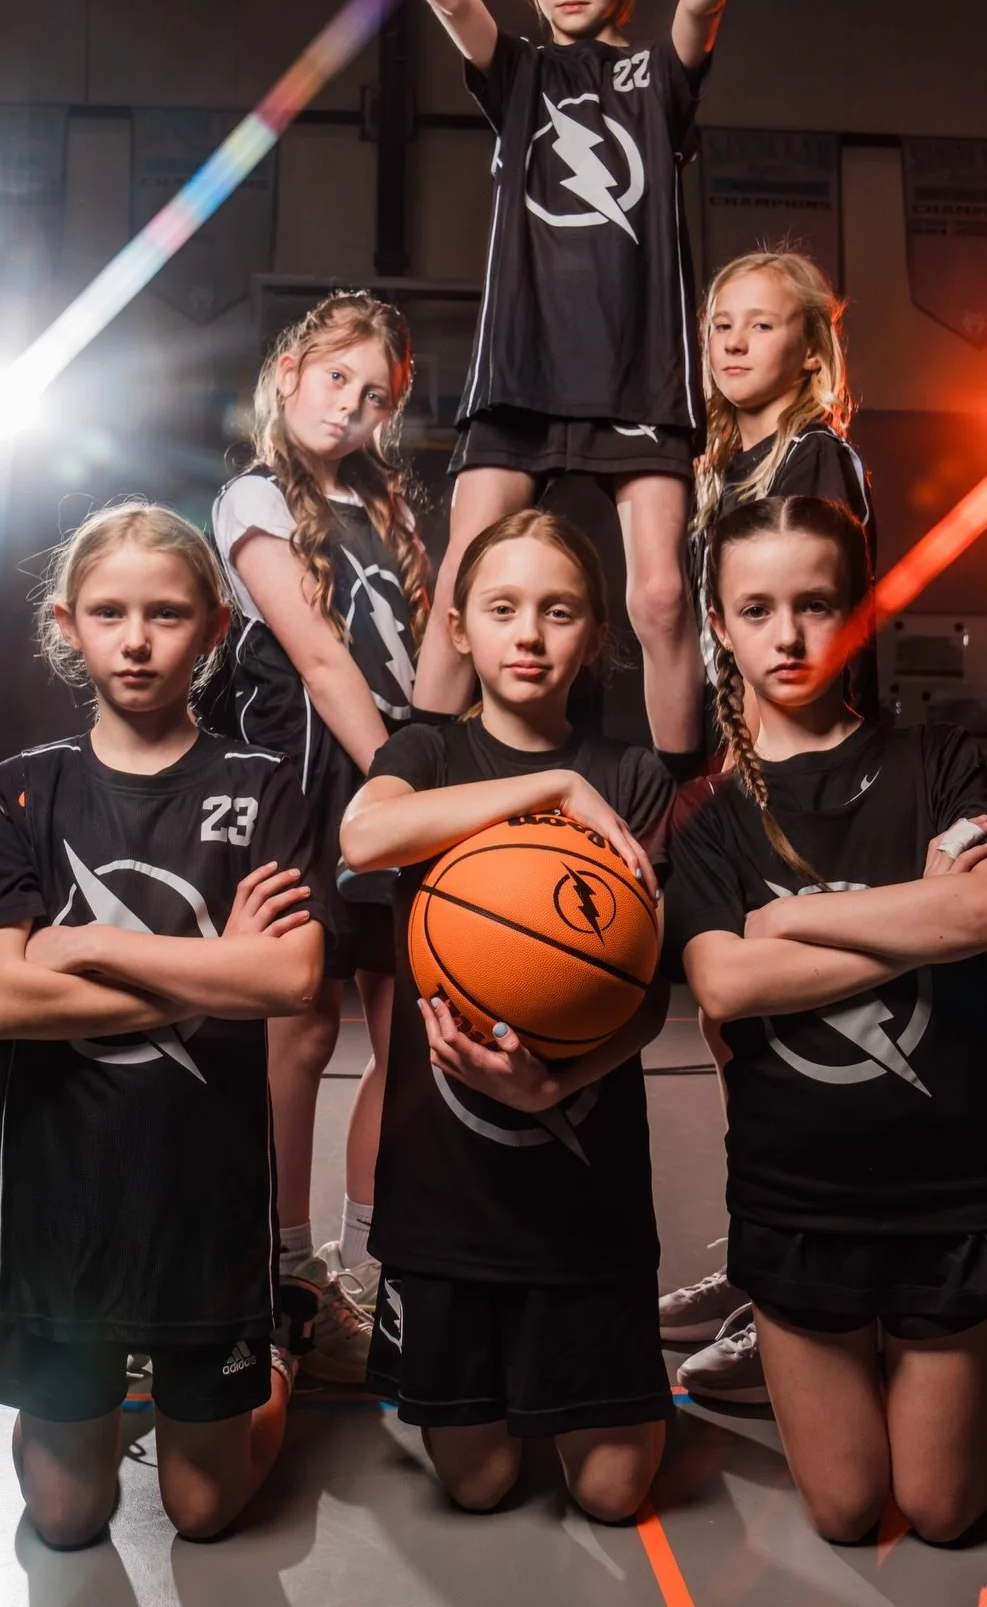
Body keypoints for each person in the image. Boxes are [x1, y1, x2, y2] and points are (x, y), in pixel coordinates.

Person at [664, 494, 987, 1545]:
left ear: (859, 613)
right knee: (850, 1514)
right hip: (797, 1200)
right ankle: (933, 1373)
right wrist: (915, 916)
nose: (788, 634)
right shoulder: (712, 823)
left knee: (940, 1510)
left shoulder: (933, 757)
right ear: (718, 624)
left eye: (816, 603)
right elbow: (725, 988)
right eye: (756, 609)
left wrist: (789, 920)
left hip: (950, 1194)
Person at [337, 0, 788, 773]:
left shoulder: (657, 81)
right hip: (523, 372)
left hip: (638, 374)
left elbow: (698, 14)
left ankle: (676, 814)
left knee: (660, 595)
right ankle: (412, 789)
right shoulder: (518, 74)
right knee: (468, 575)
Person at [0, 503, 329, 1548]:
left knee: (205, 1512)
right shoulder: (18, 793)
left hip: (202, 1195)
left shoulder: (263, 790)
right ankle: (101, 1393)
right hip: (56, 1196)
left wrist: (89, 945)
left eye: (166, 614)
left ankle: (282, 1350)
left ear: (214, 629)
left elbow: (293, 977)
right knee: (69, 1517)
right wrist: (220, 973)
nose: (135, 639)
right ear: (66, 624)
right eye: (109, 613)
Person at [338, 509, 676, 1522]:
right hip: (445, 1190)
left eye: (558, 611)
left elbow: (651, 995)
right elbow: (365, 833)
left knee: (614, 1495)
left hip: (584, 1183)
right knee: (479, 1486)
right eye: (503, 608)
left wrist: (560, 1080)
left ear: (595, 636)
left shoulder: (635, 776)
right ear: (458, 628)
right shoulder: (427, 752)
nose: (528, 634)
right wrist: (552, 787)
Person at [660, 248, 878, 1382]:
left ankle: (810, 1287)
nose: (734, 343)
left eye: (761, 325)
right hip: (734, 762)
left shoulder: (814, 459)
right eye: (719, 326)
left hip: (809, 777)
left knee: (802, 1041)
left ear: (810, 347)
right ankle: (762, 1255)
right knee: (730, 1026)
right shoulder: (720, 467)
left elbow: (821, 635)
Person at [211, 291, 429, 1382]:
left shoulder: (390, 509)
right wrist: (403, 776)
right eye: (336, 378)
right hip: (310, 786)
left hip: (389, 774)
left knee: (408, 1034)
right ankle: (284, 1264)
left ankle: (371, 1264)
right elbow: (321, 660)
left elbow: (420, 657)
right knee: (297, 1035)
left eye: (374, 393)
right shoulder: (254, 496)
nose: (350, 404)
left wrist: (445, 761)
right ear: (291, 370)